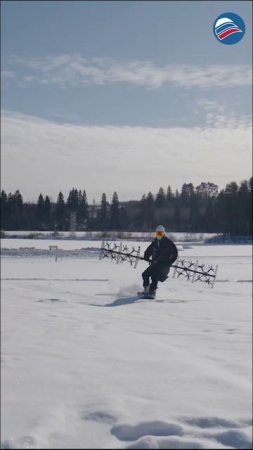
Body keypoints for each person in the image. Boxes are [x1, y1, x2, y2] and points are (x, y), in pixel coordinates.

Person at [141, 225, 178, 298]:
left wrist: (169, 263)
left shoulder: (168, 242)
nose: (159, 235)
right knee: (145, 274)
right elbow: (149, 250)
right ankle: (146, 290)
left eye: (160, 233)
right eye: (157, 233)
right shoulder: (155, 242)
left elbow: (175, 253)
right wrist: (146, 256)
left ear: (163, 233)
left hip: (163, 265)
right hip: (155, 264)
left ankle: (152, 292)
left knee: (155, 276)